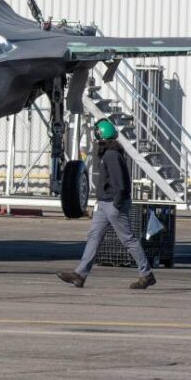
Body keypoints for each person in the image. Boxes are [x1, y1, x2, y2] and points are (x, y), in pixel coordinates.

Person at [56, 118, 156, 290]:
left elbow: (120, 184)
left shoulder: (111, 155)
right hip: (104, 204)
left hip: (112, 204)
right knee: (94, 237)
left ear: (100, 135)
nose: (95, 136)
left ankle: (146, 274)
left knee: (128, 239)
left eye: (96, 133)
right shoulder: (109, 153)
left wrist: (116, 204)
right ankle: (80, 274)